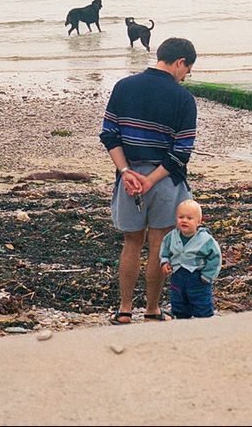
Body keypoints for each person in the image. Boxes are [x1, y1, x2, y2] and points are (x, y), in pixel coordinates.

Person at [99, 37, 198, 324]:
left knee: (131, 243)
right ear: (180, 62)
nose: (186, 75)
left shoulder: (123, 87)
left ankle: (125, 310)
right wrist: (151, 180)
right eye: (187, 69)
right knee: (159, 244)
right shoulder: (183, 99)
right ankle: (153, 310)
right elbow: (181, 153)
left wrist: (125, 172)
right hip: (164, 181)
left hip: (129, 178)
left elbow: (109, 135)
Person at [160, 199, 222, 319]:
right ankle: (182, 321)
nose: (184, 220)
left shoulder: (205, 239)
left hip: (198, 277)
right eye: (180, 217)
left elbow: (215, 257)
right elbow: (165, 250)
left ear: (198, 222)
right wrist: (165, 262)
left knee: (202, 305)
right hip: (177, 275)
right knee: (178, 303)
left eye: (189, 218)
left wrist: (208, 275)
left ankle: (203, 326)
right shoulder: (171, 236)